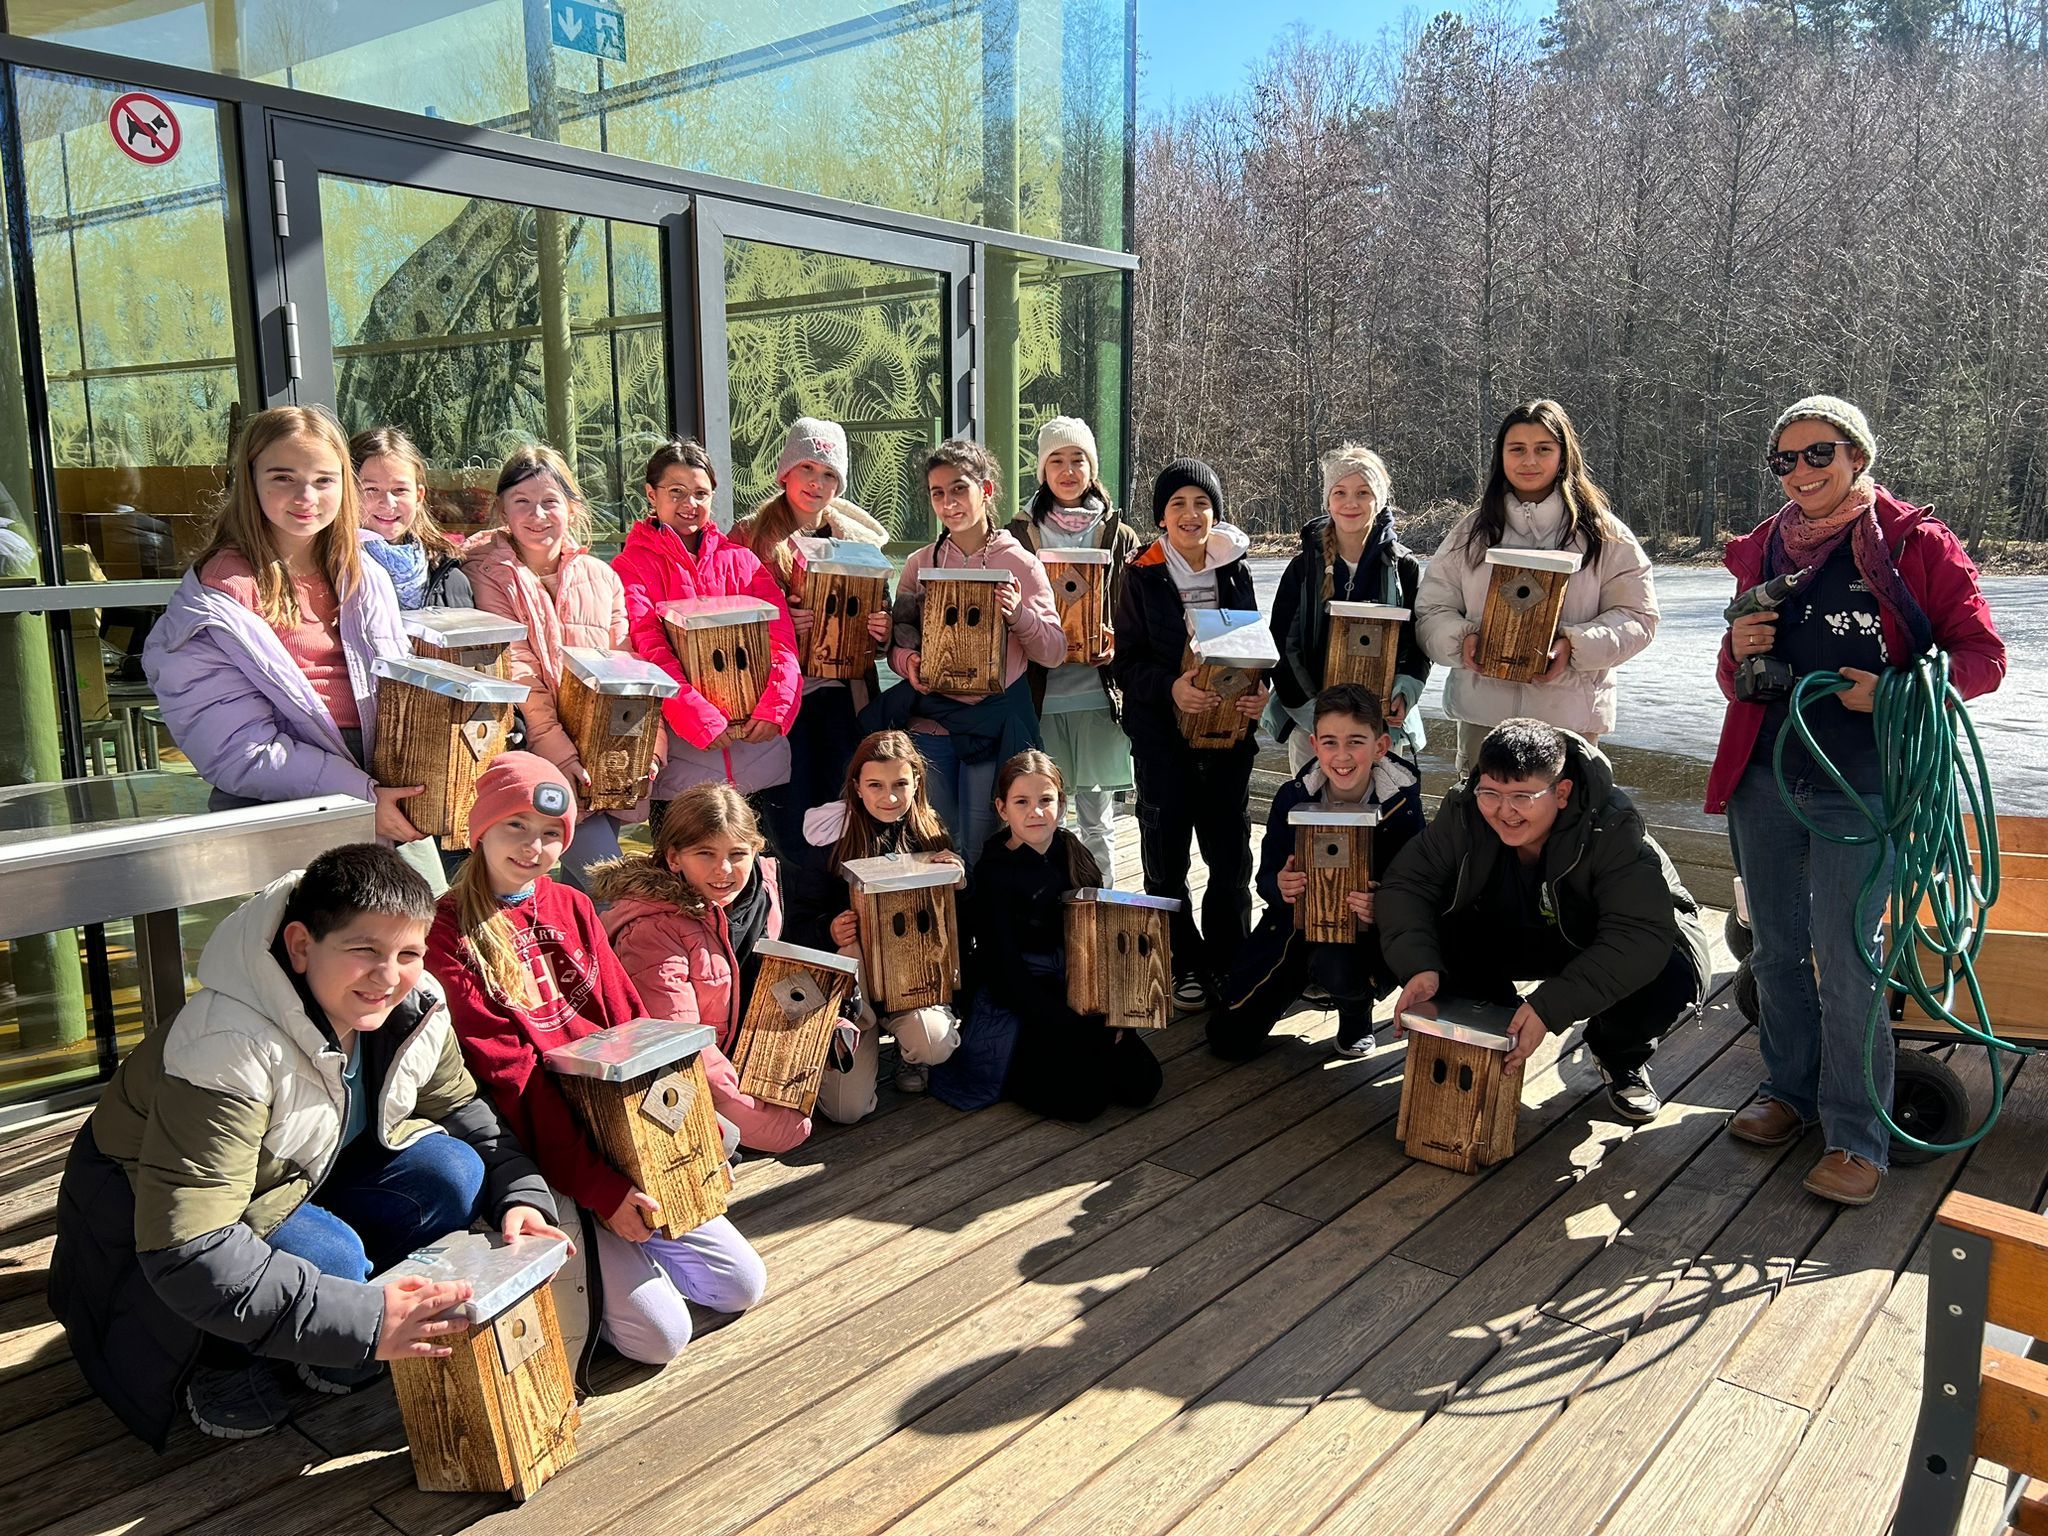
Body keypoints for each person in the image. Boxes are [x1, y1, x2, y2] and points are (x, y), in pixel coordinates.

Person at [48, 843, 565, 1446]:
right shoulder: (227, 1045)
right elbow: (187, 1245)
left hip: (297, 1173)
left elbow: (458, 1105)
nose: (389, 976)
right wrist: (367, 1319)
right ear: (300, 946)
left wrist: (520, 1194)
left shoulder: (416, 1003)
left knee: (455, 1171)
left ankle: (321, 1334)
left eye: (407, 953)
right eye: (363, 951)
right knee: (335, 1259)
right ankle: (222, 1359)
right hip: (157, 1213)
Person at [1712, 395, 2006, 1206]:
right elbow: (1732, 678)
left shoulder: (1916, 545)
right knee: (1774, 951)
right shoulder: (1767, 548)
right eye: (1786, 459)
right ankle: (1789, 1092)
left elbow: (1982, 658)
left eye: (1820, 453)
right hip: (1767, 778)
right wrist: (1737, 653)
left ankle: (1856, 1136)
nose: (1802, 471)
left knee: (1850, 963)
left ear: (1857, 456)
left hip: (1866, 787)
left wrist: (1898, 693)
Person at [429, 753, 767, 1366]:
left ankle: (627, 1242)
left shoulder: (572, 905)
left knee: (740, 1286)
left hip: (619, 1131)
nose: (534, 848)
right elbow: (514, 1084)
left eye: (552, 834)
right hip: (543, 1152)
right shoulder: (446, 933)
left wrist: (684, 1126)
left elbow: (633, 1026)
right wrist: (602, 1190)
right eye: (516, 827)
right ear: (478, 830)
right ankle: (570, 1244)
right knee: (659, 1340)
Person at [141, 405, 434, 877]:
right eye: (283, 477)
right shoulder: (220, 596)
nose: (306, 496)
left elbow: (396, 686)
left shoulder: (363, 572)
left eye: (324, 479)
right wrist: (362, 797)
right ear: (250, 480)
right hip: (288, 801)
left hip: (384, 788)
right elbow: (239, 749)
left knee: (430, 932)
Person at [1380, 718, 1710, 1125]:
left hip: (1595, 939)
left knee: (1670, 973)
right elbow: (1407, 884)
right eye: (1491, 793)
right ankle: (1492, 1034)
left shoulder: (1613, 826)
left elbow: (1639, 935)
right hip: (1509, 932)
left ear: (1562, 792)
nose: (1505, 812)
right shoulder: (1465, 811)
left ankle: (1619, 1056)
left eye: (1523, 795)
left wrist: (1547, 1009)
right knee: (1425, 932)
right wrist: (1419, 967)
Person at [591, 783, 850, 1154]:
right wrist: (746, 1098)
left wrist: (824, 1025)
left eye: (737, 853)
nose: (724, 869)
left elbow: (779, 979)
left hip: (751, 1054)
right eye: (705, 853)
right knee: (786, 1131)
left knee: (848, 1104)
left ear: (756, 850)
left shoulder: (765, 893)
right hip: (687, 1075)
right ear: (674, 858)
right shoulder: (652, 928)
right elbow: (679, 1040)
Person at [1412, 399, 1658, 772]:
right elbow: (1432, 608)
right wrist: (1460, 642)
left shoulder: (1604, 535)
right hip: (1484, 721)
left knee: (1567, 827)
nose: (1529, 461)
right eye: (1517, 449)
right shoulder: (1472, 532)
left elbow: (1638, 617)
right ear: (1501, 457)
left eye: (1543, 449)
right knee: (1483, 823)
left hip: (1569, 724)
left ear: (1564, 455)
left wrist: (1574, 647)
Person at [1109, 457, 1268, 1012]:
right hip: (1161, 741)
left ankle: (1229, 960)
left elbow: (1252, 654)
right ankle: (1180, 964)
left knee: (1230, 860)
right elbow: (1123, 663)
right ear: (1161, 518)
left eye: (1202, 503)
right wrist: (1171, 689)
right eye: (1177, 503)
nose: (1191, 513)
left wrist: (1258, 694)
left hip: (1228, 741)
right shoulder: (1142, 573)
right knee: (1166, 858)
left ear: (1215, 514)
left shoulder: (1235, 569)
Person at [465, 444, 659, 893]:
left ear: (571, 507)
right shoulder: (488, 576)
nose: (538, 515)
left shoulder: (601, 576)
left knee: (583, 896)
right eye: (523, 503)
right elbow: (519, 670)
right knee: (612, 892)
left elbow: (628, 668)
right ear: (502, 511)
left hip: (606, 760)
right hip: (543, 757)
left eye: (550, 502)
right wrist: (562, 755)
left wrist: (652, 747)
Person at [932, 750, 1163, 1118]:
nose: (1035, 812)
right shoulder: (994, 872)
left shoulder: (1075, 855)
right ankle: (1017, 1074)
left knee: (1144, 1084)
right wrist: (1073, 1025)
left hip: (1080, 986)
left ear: (1062, 803)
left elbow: (1101, 943)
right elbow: (1006, 973)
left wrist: (1114, 1013)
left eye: (1045, 800)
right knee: (1085, 1103)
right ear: (1002, 809)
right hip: (1023, 1000)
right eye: (1021, 802)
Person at [1207, 684, 1427, 1062]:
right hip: (1295, 927)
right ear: (1314, 744)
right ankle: (1299, 980)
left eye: (1356, 742)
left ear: (1381, 746)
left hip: (1364, 941)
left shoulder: (1402, 806)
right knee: (1226, 1040)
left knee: (1334, 965)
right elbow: (1267, 874)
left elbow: (1419, 886)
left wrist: (1382, 904)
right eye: (1329, 743)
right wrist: (1279, 885)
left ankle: (1355, 1013)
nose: (1342, 756)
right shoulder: (1293, 797)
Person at [880, 440, 1065, 865]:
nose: (949, 502)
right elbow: (899, 642)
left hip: (994, 726)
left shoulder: (1021, 563)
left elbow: (1054, 650)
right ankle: (951, 932)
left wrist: (1018, 614)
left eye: (959, 489)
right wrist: (909, 665)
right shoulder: (920, 563)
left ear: (986, 490)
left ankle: (986, 929)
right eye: (937, 492)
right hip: (931, 726)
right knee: (936, 845)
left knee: (985, 846)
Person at [612, 438, 802, 828]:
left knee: (757, 869)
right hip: (684, 756)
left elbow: (780, 640)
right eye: (676, 492)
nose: (689, 504)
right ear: (652, 494)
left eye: (700, 493)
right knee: (682, 872)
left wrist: (776, 708)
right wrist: (697, 718)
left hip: (757, 752)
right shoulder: (630, 566)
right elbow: (649, 650)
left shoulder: (742, 561)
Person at [731, 417, 892, 855]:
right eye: (807, 469)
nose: (816, 483)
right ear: (786, 472)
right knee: (786, 816)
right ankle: (794, 914)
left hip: (841, 695)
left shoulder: (858, 544)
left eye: (828, 475)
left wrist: (880, 633)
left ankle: (837, 909)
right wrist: (776, 625)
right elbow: (727, 623)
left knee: (842, 810)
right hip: (777, 701)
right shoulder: (748, 537)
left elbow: (881, 617)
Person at [785, 729, 964, 1108]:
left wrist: (958, 878)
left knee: (934, 1042)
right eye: (876, 785)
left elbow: (953, 925)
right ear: (857, 786)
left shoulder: (930, 835)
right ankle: (840, 1044)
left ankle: (908, 1051)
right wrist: (827, 928)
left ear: (917, 781)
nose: (890, 797)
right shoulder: (832, 836)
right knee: (845, 1110)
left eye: (901, 783)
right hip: (851, 993)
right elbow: (797, 921)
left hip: (910, 987)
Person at [1006, 415, 1138, 883]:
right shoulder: (1019, 533)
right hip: (1041, 698)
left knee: (1098, 817)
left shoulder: (1118, 533)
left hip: (1097, 697)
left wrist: (1118, 644)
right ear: (1042, 470)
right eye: (1056, 461)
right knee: (1045, 815)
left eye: (1077, 460)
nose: (1067, 471)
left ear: (1092, 467)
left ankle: (1100, 906)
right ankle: (1050, 906)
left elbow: (1135, 609)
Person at [1265, 443, 1429, 766]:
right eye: (1339, 492)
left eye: (1363, 492)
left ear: (1379, 498)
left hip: (1382, 727)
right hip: (1311, 726)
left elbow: (1419, 642)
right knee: (1313, 813)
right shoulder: (1304, 567)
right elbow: (1282, 645)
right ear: (1328, 500)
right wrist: (1317, 715)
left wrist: (1404, 691)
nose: (1350, 503)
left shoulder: (1402, 567)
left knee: (1381, 812)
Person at [350, 425, 473, 610]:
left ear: (418, 496)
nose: (388, 502)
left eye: (400, 490)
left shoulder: (450, 579)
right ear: (348, 494)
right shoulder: (332, 571)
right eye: (371, 489)